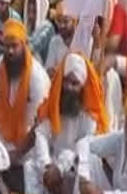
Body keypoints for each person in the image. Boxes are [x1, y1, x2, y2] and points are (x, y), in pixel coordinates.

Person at [25, 53, 108, 194]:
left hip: (77, 169)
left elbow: (84, 148)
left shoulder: (89, 117)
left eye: (75, 83)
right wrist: (47, 166)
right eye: (66, 81)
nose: (69, 87)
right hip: (54, 170)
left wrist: (61, 167)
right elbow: (41, 134)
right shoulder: (56, 107)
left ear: (82, 87)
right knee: (29, 166)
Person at [0, 20, 51, 191]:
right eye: (7, 46)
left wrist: (17, 154)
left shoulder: (37, 77)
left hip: (28, 143)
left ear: (24, 45)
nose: (10, 51)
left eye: (14, 46)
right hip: (2, 134)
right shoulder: (2, 63)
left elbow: (41, 123)